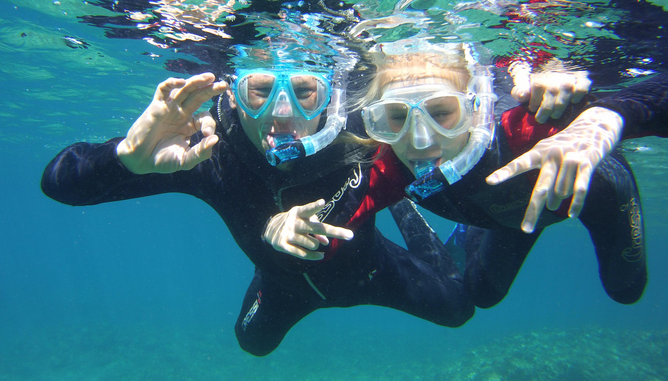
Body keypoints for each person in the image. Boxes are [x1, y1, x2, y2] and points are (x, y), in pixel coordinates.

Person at [41, 44, 473, 356]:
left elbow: (454, 127)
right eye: (261, 90)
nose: (282, 114)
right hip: (283, 287)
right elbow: (58, 183)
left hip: (375, 269)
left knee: (459, 307)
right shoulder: (205, 151)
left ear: (330, 95)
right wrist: (126, 160)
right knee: (252, 343)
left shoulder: (360, 134)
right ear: (232, 94)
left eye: (305, 92)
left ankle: (404, 206)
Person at [346, 39, 656, 309]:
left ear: (475, 110)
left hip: (602, 195)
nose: (420, 139)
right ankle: (469, 230)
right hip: (510, 215)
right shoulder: (392, 166)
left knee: (626, 291)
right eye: (397, 117)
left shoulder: (524, 128)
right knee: (482, 294)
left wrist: (602, 117)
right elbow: (334, 226)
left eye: (442, 113)